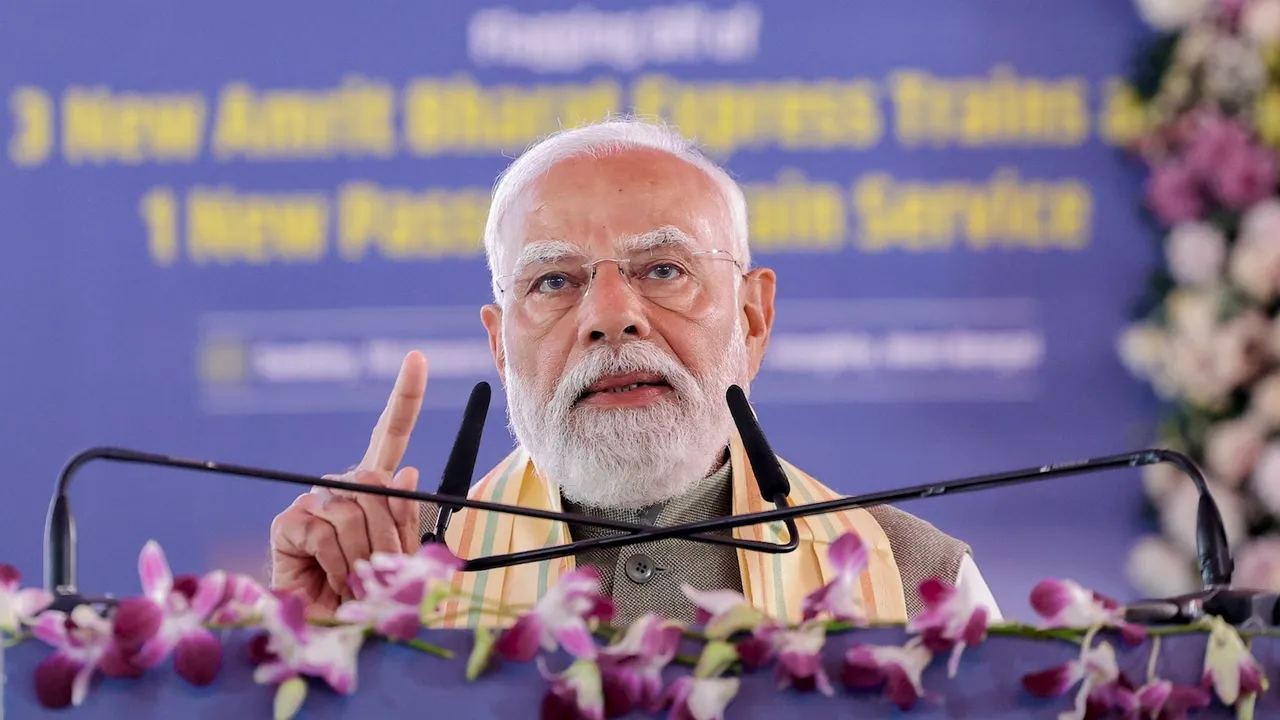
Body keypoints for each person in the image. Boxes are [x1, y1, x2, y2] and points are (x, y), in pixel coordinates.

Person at [269, 118, 1002, 627]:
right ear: (500, 346)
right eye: (554, 281)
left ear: (752, 317)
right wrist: (313, 651)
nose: (610, 316)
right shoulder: (387, 571)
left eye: (663, 268)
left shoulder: (917, 581)